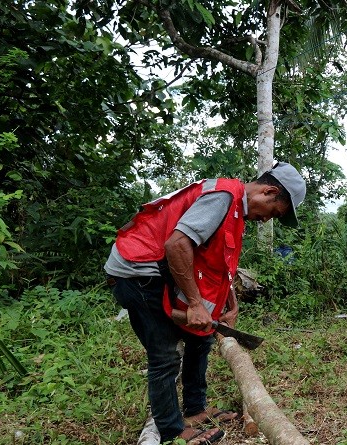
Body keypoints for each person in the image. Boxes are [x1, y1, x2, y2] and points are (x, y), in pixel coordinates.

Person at [104, 162, 305, 444]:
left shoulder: (236, 210)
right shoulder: (222, 198)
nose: (266, 220)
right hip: (138, 270)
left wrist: (229, 301)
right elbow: (177, 245)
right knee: (165, 355)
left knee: (202, 338)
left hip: (160, 268)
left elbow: (220, 262)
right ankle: (171, 431)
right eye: (273, 213)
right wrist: (196, 304)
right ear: (269, 192)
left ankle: (195, 409)